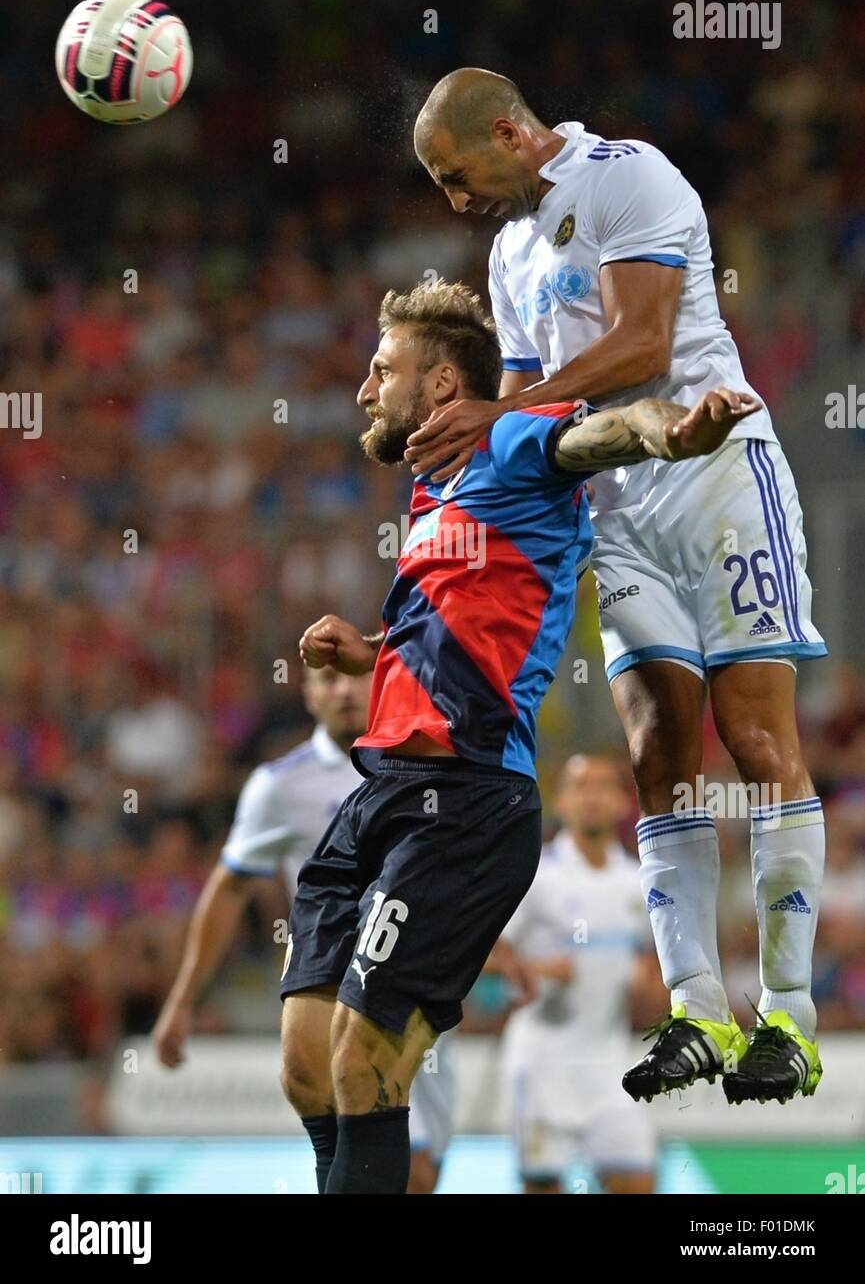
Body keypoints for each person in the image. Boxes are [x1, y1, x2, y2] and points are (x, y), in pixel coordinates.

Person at [279, 275, 759, 1194]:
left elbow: (606, 433)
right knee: (306, 1065)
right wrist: (367, 652)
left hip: (464, 801)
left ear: (444, 387)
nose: (363, 389)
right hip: (376, 793)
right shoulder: (434, 483)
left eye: (383, 370)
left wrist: (679, 431)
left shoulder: (510, 439)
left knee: (362, 1064)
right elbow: (461, 614)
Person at [410, 69, 826, 1106]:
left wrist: (503, 416)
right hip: (618, 505)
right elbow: (518, 407)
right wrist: (473, 450)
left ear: (510, 133)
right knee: (656, 752)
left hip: (717, 469)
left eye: (457, 177)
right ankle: (696, 1005)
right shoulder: (508, 252)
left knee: (758, 736)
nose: (454, 203)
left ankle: (790, 1013)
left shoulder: (626, 176)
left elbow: (643, 343)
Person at [151, 665, 454, 1193]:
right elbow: (228, 888)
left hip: (415, 984)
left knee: (418, 1170)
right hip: (335, 987)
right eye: (329, 679)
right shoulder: (280, 785)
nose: (345, 690)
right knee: (391, 1157)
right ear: (308, 694)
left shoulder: (424, 765)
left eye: (360, 675)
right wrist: (183, 1000)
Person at [496, 754, 663, 1194]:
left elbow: (650, 967)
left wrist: (651, 992)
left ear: (624, 803)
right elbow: (482, 953)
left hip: (611, 1063)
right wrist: (532, 970)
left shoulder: (641, 883)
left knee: (637, 1180)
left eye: (604, 786)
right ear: (562, 801)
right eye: (579, 786)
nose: (591, 797)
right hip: (541, 1060)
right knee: (544, 1186)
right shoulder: (534, 875)